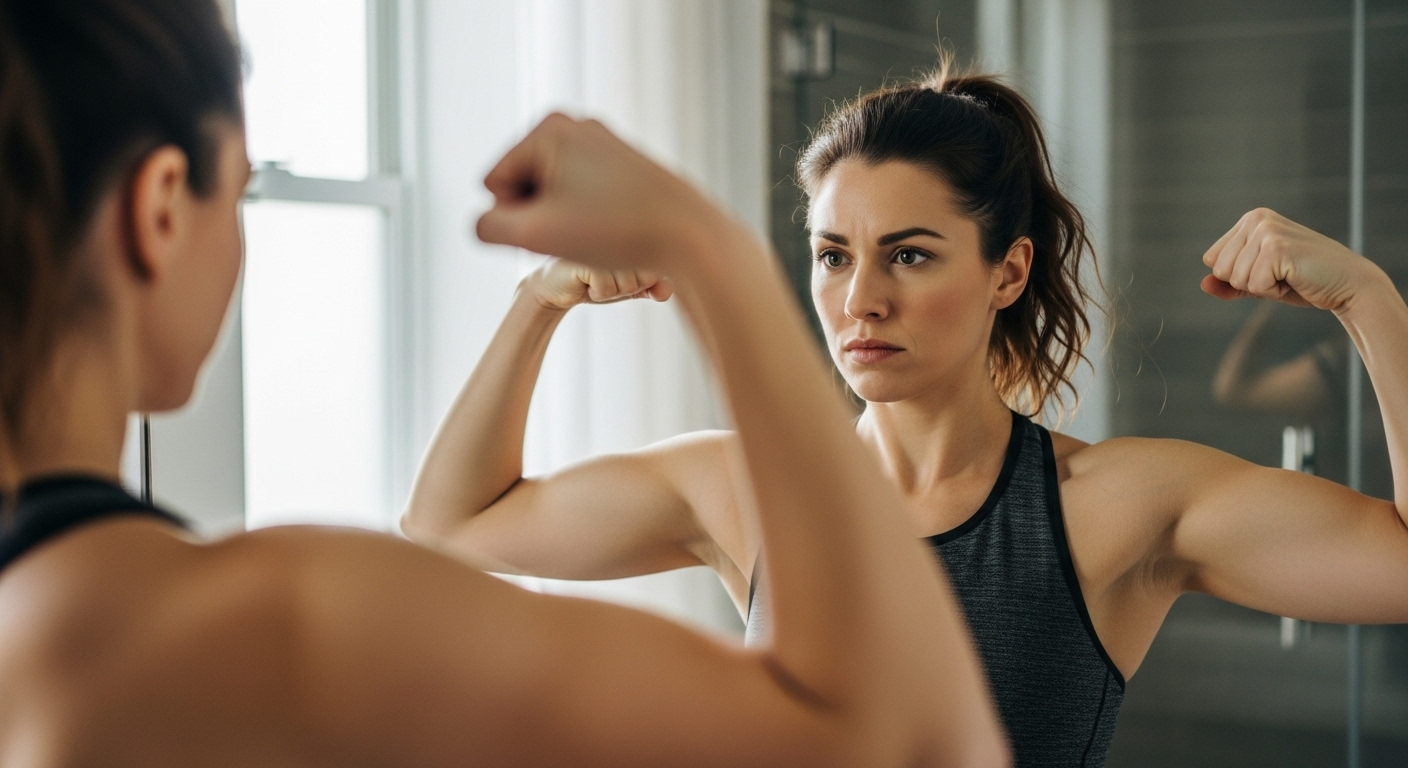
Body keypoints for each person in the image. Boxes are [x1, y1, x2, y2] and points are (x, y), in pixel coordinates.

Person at [0, 1, 1010, 765]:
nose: (861, 296)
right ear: (162, 207)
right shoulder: (261, 624)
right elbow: (920, 744)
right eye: (244, 186)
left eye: (908, 257)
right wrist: (707, 249)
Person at [403, 64, 1408, 767]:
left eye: (910, 253)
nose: (859, 298)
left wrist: (1370, 299)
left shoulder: (1106, 508)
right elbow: (454, 521)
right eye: (833, 254)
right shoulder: (745, 492)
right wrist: (540, 301)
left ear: (1006, 271)